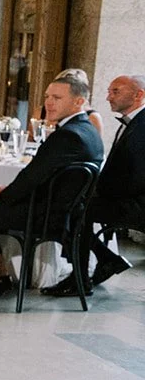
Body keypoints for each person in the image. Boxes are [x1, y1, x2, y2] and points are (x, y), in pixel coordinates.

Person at [0, 72, 104, 300]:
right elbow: (38, 176)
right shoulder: (88, 131)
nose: (48, 102)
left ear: (79, 101)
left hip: (43, 215)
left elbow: (32, 177)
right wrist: (6, 193)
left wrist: (5, 194)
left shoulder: (68, 135)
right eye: (48, 96)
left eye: (57, 98)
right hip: (60, 211)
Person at [45, 73, 145, 297]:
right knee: (75, 205)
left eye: (115, 91)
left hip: (138, 204)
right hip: (128, 197)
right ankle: (105, 260)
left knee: (77, 209)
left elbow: (137, 176)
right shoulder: (135, 122)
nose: (108, 97)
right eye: (109, 91)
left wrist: (99, 192)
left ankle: (80, 279)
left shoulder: (143, 125)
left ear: (139, 95)